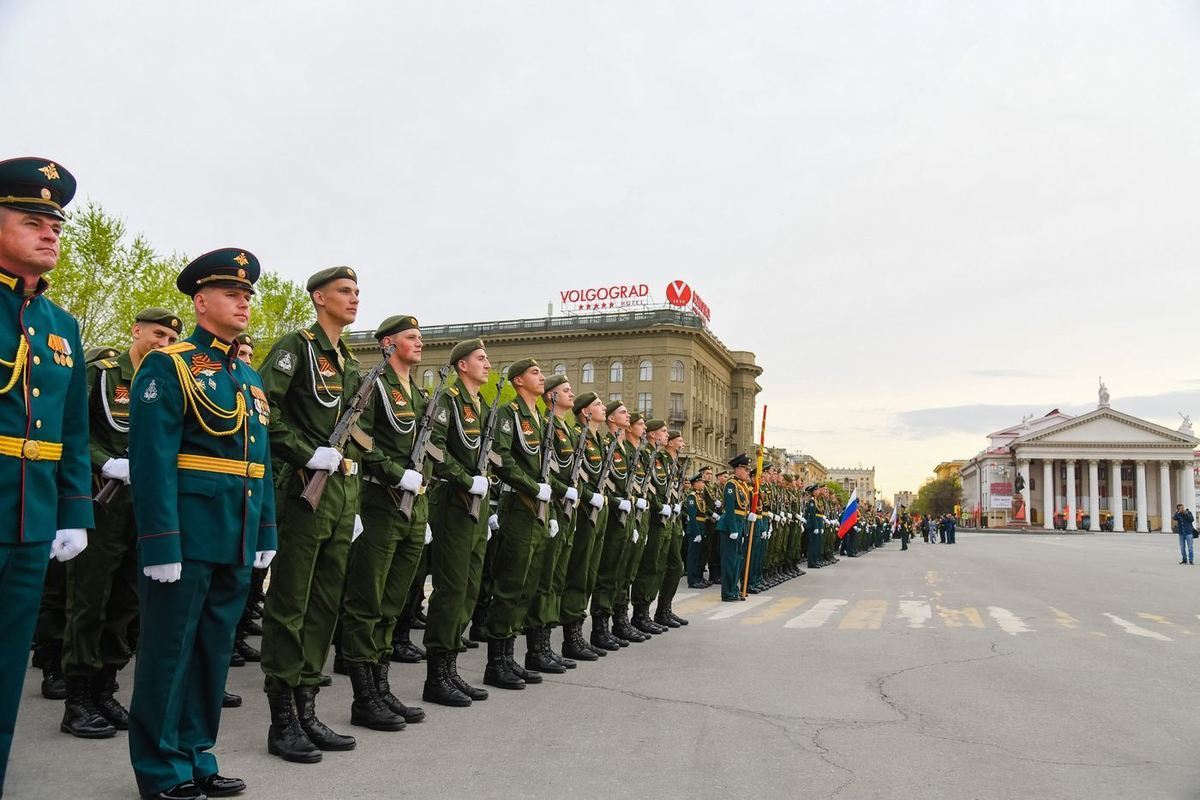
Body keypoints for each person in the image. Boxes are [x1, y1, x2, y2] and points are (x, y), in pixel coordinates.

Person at [127, 248, 277, 800]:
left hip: (236, 534)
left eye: (247, 295)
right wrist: (159, 541)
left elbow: (259, 466)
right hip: (186, 535)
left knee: (213, 651)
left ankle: (197, 752)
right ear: (200, 301)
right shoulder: (170, 365)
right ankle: (160, 766)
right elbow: (151, 459)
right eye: (233, 293)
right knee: (169, 651)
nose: (244, 301)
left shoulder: (248, 378)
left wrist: (266, 534)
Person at [0, 157, 93, 796]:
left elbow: (73, 433)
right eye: (32, 221)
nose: (50, 233)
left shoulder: (61, 326)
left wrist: (74, 511)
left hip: (32, 518)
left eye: (55, 224)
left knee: (8, 669)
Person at [60, 307, 181, 741]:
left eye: (170, 338)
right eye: (158, 334)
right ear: (137, 331)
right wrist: (103, 462)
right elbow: (71, 427)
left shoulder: (169, 380)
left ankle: (105, 688)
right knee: (90, 599)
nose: (163, 344)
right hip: (101, 501)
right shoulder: (106, 373)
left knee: (127, 602)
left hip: (146, 507)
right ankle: (77, 699)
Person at [259, 266, 363, 763]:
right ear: (319, 298)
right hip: (304, 490)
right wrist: (304, 453)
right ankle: (282, 717)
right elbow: (264, 410)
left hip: (339, 496)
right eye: (345, 291)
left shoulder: (349, 363)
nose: (354, 298)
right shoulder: (294, 347)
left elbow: (357, 436)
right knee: (290, 603)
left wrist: (353, 494)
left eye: (358, 292)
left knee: (324, 604)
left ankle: (308, 704)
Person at [337, 314, 429, 731]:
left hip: (414, 506)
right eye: (411, 337)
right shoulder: (375, 386)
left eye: (420, 336)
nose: (420, 342)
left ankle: (381, 684)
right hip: (380, 500)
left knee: (394, 602)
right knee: (367, 601)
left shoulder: (420, 393)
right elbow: (359, 439)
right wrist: (395, 472)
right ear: (388, 344)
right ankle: (363, 697)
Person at [422, 338, 493, 706]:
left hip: (477, 506)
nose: (488, 364)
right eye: (481, 359)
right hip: (452, 501)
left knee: (469, 586)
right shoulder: (449, 401)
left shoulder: (481, 407)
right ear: (462, 365)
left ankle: (450, 668)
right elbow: (434, 448)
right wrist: (466, 479)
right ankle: (436, 675)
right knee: (450, 590)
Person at [478, 359, 551, 690]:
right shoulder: (510, 414)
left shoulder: (540, 418)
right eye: (535, 373)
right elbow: (502, 458)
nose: (542, 377)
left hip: (538, 510)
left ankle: (509, 657)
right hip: (519, 506)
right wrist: (534, 487)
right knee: (509, 585)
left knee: (526, 586)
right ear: (518, 381)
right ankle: (496, 661)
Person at [557, 391, 608, 662]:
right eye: (598, 405)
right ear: (585, 412)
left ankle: (580, 633)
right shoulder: (577, 435)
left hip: (596, 511)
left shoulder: (597, 439)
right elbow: (574, 476)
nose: (604, 408)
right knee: (577, 574)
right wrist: (589, 497)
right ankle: (571, 636)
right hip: (582, 510)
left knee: (589, 573)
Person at [717, 454, 754, 601]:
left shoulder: (743, 485)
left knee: (738, 559)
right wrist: (733, 529)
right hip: (730, 526)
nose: (747, 472)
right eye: (745, 469)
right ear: (738, 469)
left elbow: (743, 507)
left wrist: (748, 517)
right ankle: (727, 592)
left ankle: (734, 588)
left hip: (740, 524)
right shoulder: (731, 485)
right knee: (730, 560)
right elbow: (730, 508)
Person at [684, 473, 709, 588]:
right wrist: (696, 532)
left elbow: (704, 511)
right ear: (695, 484)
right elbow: (692, 516)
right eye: (701, 482)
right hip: (695, 528)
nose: (703, 484)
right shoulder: (692, 497)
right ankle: (692, 580)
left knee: (700, 555)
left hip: (702, 526)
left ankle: (699, 577)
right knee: (693, 556)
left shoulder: (700, 496)